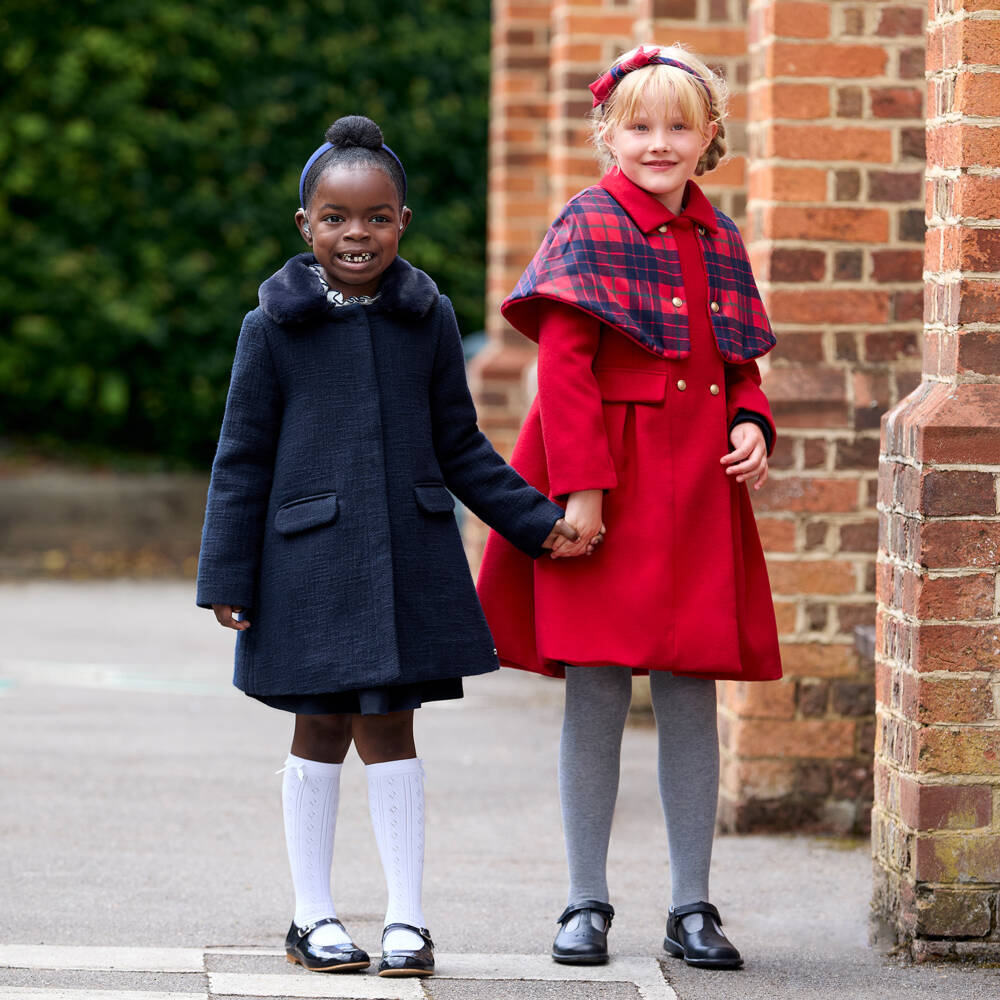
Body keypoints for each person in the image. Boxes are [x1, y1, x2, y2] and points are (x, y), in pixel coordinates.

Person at [196, 115, 579, 979]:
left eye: (376, 217)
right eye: (335, 218)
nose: (356, 234)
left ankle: (408, 919)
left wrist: (536, 520)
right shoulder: (271, 327)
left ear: (402, 221)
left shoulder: (427, 316)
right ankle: (312, 917)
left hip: (406, 559)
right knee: (320, 724)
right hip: (305, 568)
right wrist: (226, 573)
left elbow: (461, 445)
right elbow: (241, 456)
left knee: (392, 727)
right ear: (306, 224)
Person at [476, 44, 783, 971]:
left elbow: (739, 363)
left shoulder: (719, 238)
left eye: (678, 127)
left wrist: (752, 422)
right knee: (598, 689)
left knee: (691, 689)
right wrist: (584, 491)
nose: (658, 143)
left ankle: (692, 906)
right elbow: (564, 373)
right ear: (607, 133)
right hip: (608, 484)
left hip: (700, 491)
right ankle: (585, 901)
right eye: (639, 126)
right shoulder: (587, 224)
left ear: (708, 136)